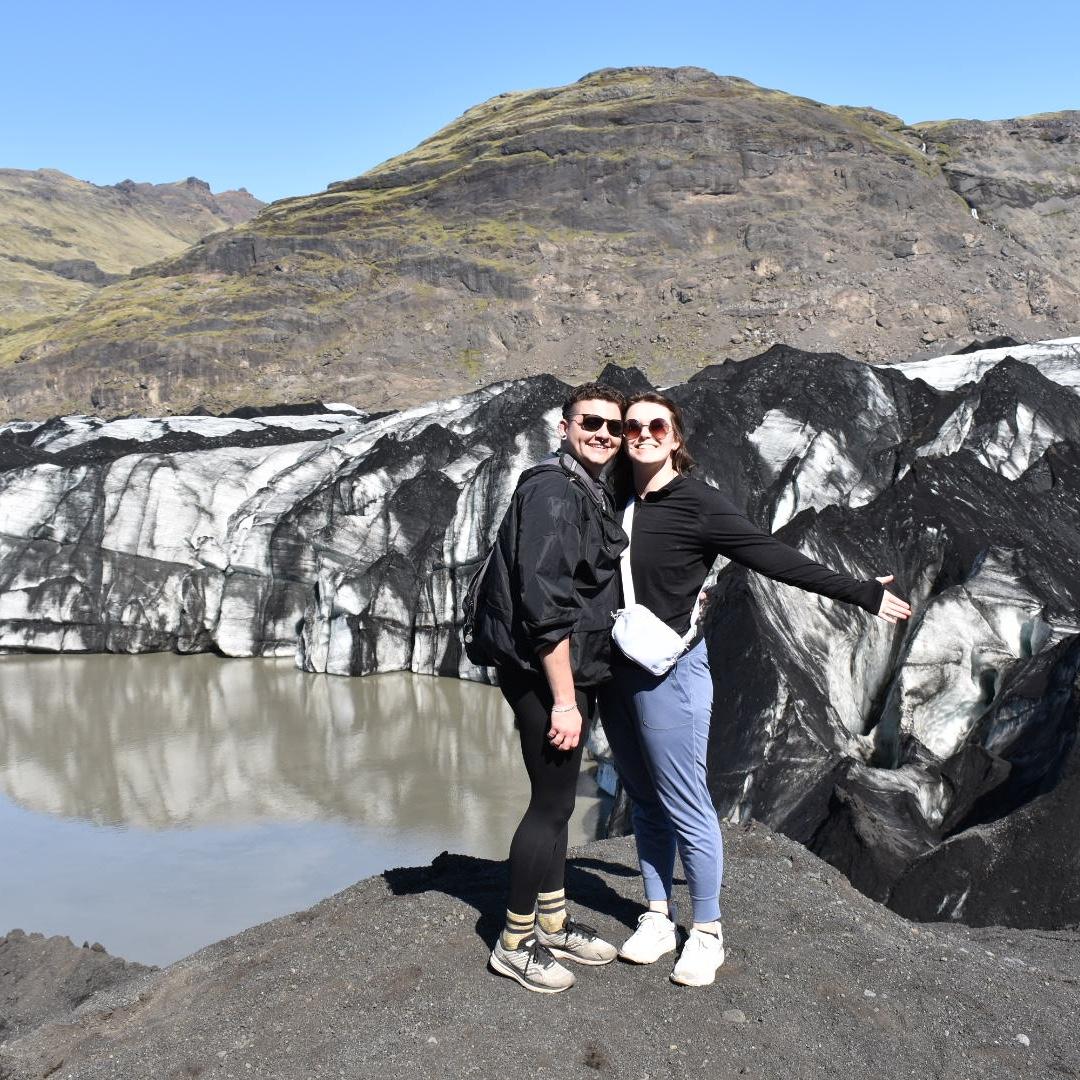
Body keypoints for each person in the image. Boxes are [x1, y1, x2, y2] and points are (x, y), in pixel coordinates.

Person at [599, 392, 912, 987]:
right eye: (632, 426)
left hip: (670, 673)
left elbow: (770, 556)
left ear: (675, 436)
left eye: (654, 425)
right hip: (617, 671)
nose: (641, 434)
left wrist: (859, 591)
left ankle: (708, 931)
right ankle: (659, 916)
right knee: (643, 798)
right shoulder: (615, 499)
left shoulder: (698, 503)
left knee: (685, 801)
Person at [467, 382, 629, 993]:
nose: (604, 435)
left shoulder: (582, 487)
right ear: (564, 426)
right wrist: (565, 698)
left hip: (566, 667)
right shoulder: (556, 493)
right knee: (552, 803)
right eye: (592, 422)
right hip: (545, 672)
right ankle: (515, 941)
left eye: (613, 427)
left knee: (557, 794)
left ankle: (554, 920)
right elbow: (545, 605)